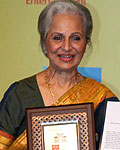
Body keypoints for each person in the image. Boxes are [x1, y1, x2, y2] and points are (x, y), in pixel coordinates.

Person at [0, 0, 119, 149]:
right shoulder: (19, 95)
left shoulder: (103, 99)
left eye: (76, 38)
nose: (67, 47)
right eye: (57, 37)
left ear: (86, 43)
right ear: (44, 42)